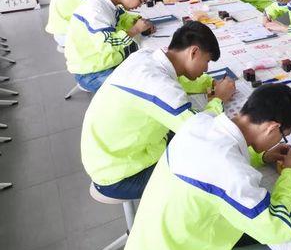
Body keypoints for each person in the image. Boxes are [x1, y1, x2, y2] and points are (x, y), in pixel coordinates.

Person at [124, 84, 291, 250]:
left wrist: (260, 156)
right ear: (272, 127)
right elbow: (278, 228)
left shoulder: (201, 122)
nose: (280, 140)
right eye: (283, 135)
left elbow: (214, 158)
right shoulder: (233, 172)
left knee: (250, 233)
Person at [81, 21, 235, 200]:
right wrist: (219, 99)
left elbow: (176, 81)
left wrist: (208, 83)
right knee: (210, 166)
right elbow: (200, 130)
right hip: (121, 174)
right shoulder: (160, 86)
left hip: (109, 154)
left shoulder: (146, 56)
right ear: (193, 52)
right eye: (207, 61)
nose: (207, 69)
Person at [64, 0, 156, 92]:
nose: (139, 6)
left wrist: (139, 21)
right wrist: (136, 29)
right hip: (92, 73)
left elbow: (122, 17)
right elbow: (107, 44)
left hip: (103, 64)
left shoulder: (108, 1)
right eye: (141, 1)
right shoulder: (96, 8)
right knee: (144, 87)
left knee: (147, 66)